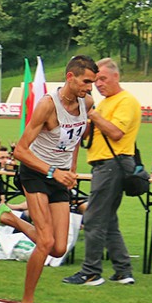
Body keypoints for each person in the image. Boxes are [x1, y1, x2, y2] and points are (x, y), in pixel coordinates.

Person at [10, 55, 97, 303]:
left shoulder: (88, 103)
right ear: (70, 77)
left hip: (60, 177)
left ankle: (7, 217)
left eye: (92, 82)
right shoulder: (48, 105)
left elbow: (75, 141)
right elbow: (20, 151)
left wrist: (70, 171)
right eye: (86, 81)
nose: (90, 88)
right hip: (36, 173)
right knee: (45, 241)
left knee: (59, 248)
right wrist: (53, 171)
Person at [62, 58, 140, 287]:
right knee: (109, 220)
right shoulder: (107, 102)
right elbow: (87, 134)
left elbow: (116, 132)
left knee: (94, 218)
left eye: (103, 79)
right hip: (104, 164)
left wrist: (92, 114)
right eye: (96, 80)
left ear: (117, 76)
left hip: (111, 164)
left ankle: (91, 271)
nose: (98, 84)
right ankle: (123, 270)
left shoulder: (125, 101)